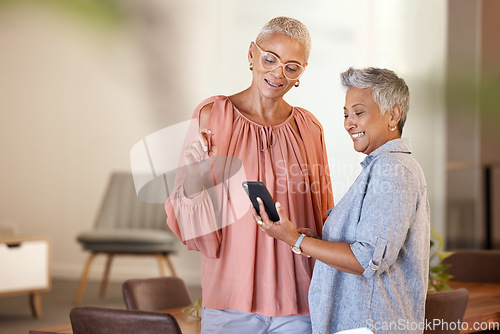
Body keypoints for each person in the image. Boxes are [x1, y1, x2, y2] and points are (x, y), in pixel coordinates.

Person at [165, 17, 334, 334]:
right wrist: (193, 176)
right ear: (252, 55)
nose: (277, 73)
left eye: (291, 67)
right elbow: (191, 220)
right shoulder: (214, 115)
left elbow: (322, 214)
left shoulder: (309, 128)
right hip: (231, 299)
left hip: (298, 302)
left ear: (301, 73)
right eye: (270, 59)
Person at [257, 67, 430, 333]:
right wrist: (312, 241)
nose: (349, 122)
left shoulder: (392, 169)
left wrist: (296, 240)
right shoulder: (380, 167)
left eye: (359, 112)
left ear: (393, 114)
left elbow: (367, 258)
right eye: (346, 114)